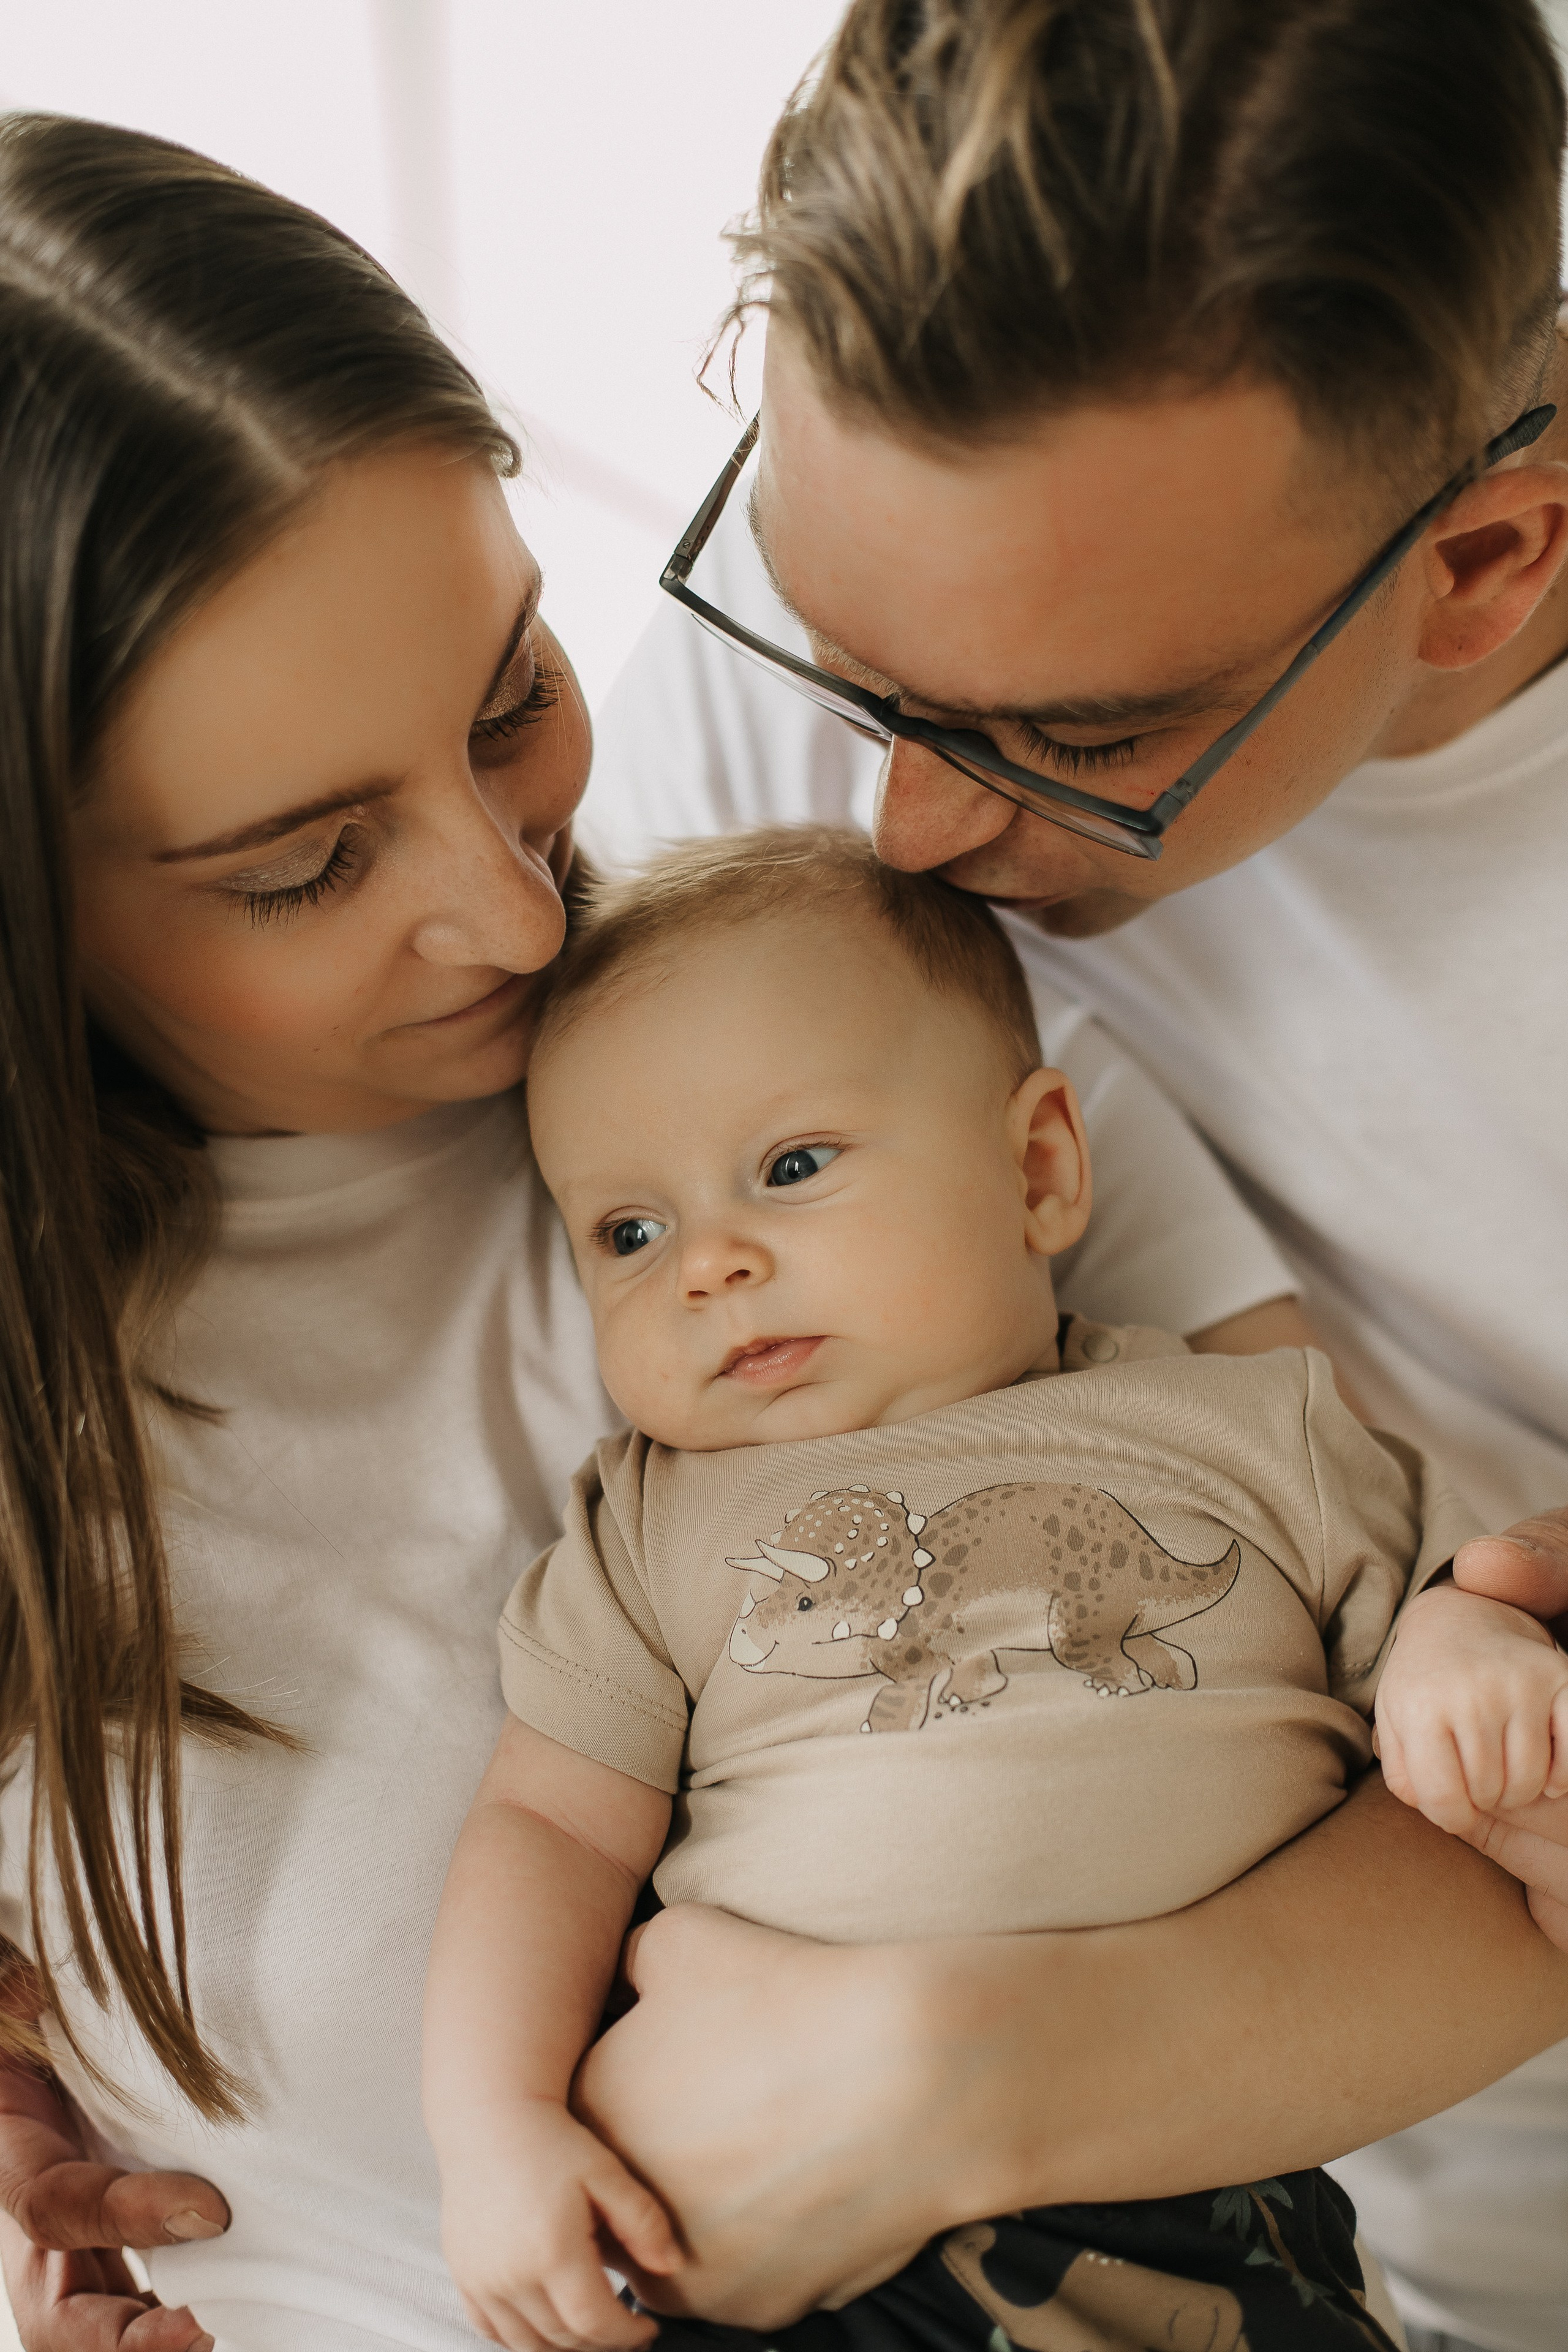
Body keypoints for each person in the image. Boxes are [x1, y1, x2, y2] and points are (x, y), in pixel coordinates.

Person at [6, 103, 1540, 2352]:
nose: (509, 904)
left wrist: (965, 2081)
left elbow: (1482, 1859)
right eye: (306, 864)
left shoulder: (863, 1066)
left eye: (517, 699)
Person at [582, 4, 1568, 2347]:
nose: (902, 829)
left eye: (1085, 741)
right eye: (847, 669)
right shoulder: (809, 711)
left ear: (1485, 569)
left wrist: (981, 2078)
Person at [424, 826, 1562, 2352]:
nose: (707, 1265)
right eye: (630, 1232)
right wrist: (491, 2128)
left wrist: (1461, 1647)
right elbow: (548, 1822)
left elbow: (1444, 1593)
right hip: (758, 2238)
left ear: (1036, 1167)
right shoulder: (648, 1517)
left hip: (1196, 2176)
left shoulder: (1249, 1429)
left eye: (791, 1167)